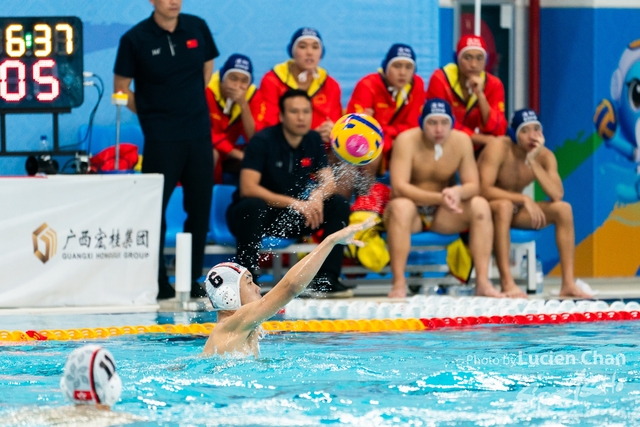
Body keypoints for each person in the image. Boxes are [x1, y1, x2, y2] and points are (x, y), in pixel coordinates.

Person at [113, 0, 218, 299]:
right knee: (154, 211)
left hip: (198, 132)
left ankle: (195, 278)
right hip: (161, 137)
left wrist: (191, 99)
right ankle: (158, 281)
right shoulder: (135, 39)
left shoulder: (197, 26)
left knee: (199, 209)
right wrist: (149, 112)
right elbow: (120, 87)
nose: (174, 1)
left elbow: (207, 65)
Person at [226, 89, 352, 297]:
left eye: (306, 111)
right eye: (294, 112)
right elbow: (249, 187)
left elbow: (328, 182)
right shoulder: (263, 141)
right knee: (252, 207)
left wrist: (317, 196)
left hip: (290, 217)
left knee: (338, 203)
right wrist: (296, 203)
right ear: (282, 116)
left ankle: (327, 280)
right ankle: (248, 282)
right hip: (254, 216)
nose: (301, 117)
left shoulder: (312, 140)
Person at [203, 219, 374, 356]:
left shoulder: (239, 328)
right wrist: (330, 241)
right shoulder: (233, 323)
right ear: (228, 295)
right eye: (249, 282)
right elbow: (290, 287)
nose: (257, 288)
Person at [384, 98, 499, 298]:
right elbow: (399, 187)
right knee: (401, 206)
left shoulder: (461, 141)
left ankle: (482, 281)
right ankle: (399, 283)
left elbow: (473, 185)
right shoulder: (406, 140)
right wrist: (439, 198)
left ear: (452, 124)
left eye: (444, 123)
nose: (439, 129)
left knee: (480, 205)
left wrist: (457, 192)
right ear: (422, 123)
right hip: (412, 216)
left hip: (442, 215)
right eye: (432, 123)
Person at [477, 109, 592, 298]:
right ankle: (507, 283)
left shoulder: (544, 156)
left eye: (537, 129)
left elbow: (557, 195)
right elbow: (483, 189)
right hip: (491, 210)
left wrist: (533, 161)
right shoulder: (498, 148)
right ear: (514, 134)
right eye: (525, 131)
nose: (533, 136)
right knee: (505, 205)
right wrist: (523, 198)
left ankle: (568, 283)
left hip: (517, 212)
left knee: (563, 210)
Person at [346, 43, 425, 179]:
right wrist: (385, 139)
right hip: (373, 144)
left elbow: (414, 126)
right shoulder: (368, 85)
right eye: (397, 66)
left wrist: (387, 134)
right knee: (370, 151)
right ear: (385, 67)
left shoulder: (417, 85)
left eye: (408, 67)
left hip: (398, 141)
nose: (403, 73)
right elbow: (355, 127)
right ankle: (365, 198)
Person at [425, 35, 507, 154]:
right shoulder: (440, 79)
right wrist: (483, 139)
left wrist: (480, 95)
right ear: (456, 58)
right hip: (446, 144)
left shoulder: (494, 84)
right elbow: (440, 124)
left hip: (481, 148)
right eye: (467, 58)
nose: (473, 64)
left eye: (479, 58)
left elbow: (499, 130)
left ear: (486, 61)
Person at [259, 27, 342, 145]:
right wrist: (309, 137)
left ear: (321, 53)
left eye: (315, 47)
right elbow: (268, 124)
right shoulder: (272, 80)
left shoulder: (331, 85)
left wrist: (332, 131)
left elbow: (335, 121)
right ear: (291, 51)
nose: (309, 52)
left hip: (320, 149)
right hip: (280, 148)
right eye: (303, 47)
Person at [205, 53, 265, 184]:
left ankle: (251, 199)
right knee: (211, 153)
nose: (238, 86)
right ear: (222, 77)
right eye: (233, 78)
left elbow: (254, 138)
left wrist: (243, 105)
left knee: (260, 158)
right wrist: (234, 153)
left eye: (244, 81)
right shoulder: (206, 91)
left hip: (229, 154)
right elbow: (205, 133)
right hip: (207, 149)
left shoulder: (253, 96)